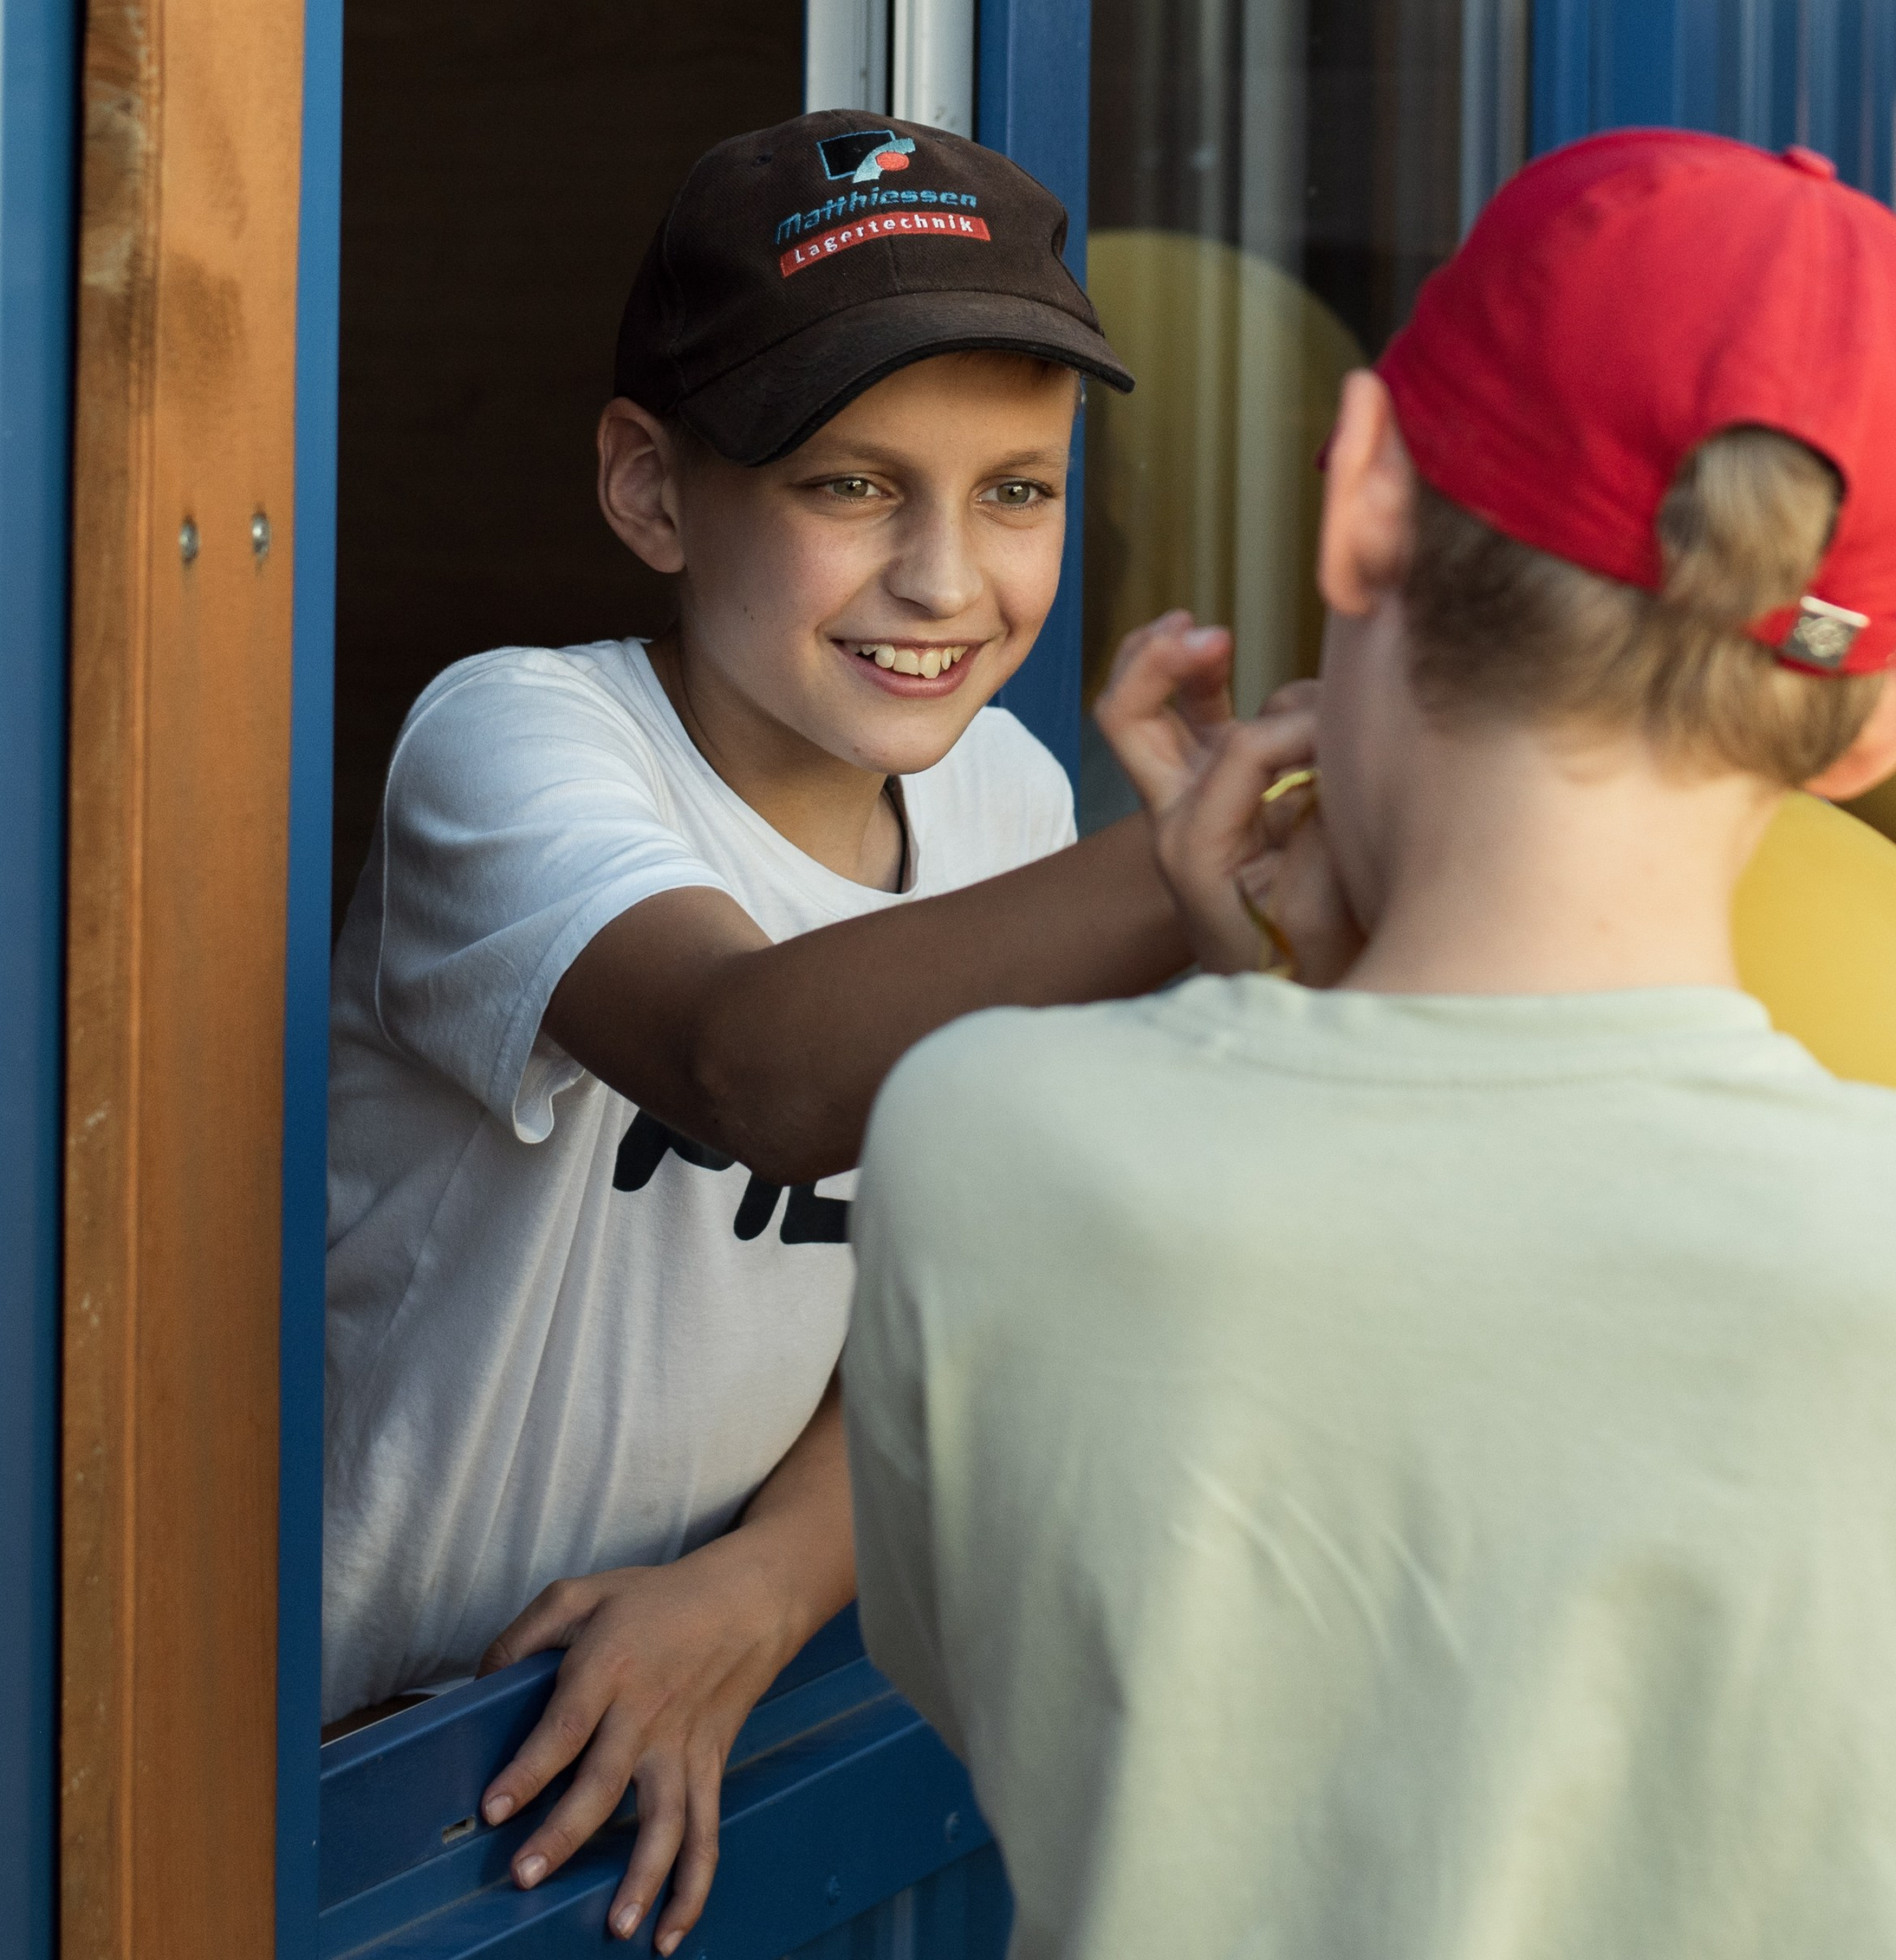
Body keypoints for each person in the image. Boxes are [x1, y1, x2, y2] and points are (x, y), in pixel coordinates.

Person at [844, 129, 1896, 1960]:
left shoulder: (981, 1139)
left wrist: (1269, 1001)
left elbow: (1058, 1710)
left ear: (1352, 499)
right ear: (1893, 707)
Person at [324, 114, 1228, 1956]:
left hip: (636, 1708)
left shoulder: (1002, 806)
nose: (944, 579)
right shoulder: (512, 742)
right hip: (335, 1741)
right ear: (652, 490)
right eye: (847, 486)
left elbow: (958, 1285)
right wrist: (1204, 878)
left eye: (1016, 490)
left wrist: (759, 1583)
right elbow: (751, 1065)